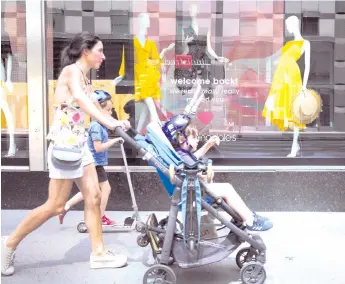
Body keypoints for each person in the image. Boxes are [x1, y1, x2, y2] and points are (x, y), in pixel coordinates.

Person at [1, 32, 130, 276]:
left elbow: (93, 107)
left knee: (93, 196)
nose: (103, 56)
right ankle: (8, 244)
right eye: (100, 51)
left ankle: (99, 254)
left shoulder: (85, 77)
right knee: (55, 206)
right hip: (65, 146)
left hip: (80, 145)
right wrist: (110, 123)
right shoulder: (71, 72)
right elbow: (83, 102)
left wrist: (115, 121)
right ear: (86, 51)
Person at [162, 115, 273, 231]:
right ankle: (250, 220)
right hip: (193, 194)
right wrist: (205, 173)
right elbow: (194, 169)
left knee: (225, 189)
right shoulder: (183, 156)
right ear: (181, 139)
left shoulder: (180, 154)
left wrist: (209, 144)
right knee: (226, 189)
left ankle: (247, 214)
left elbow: (192, 160)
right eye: (194, 137)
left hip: (191, 191)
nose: (197, 140)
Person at [58, 90, 123, 226]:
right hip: (93, 163)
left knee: (90, 190)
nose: (111, 113)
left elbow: (112, 122)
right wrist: (115, 141)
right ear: (99, 109)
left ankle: (66, 206)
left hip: (96, 162)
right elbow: (98, 147)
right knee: (105, 188)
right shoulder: (95, 126)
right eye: (109, 110)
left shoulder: (99, 123)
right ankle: (100, 216)